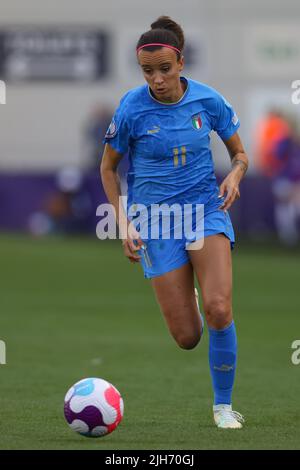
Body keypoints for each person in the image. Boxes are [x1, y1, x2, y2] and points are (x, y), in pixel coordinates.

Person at [100, 16, 248, 429]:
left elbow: (240, 154)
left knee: (220, 308)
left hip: (204, 211)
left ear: (181, 63)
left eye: (165, 69)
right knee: (187, 337)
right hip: (156, 221)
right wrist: (123, 222)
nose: (157, 79)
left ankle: (222, 407)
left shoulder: (209, 101)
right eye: (148, 72)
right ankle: (191, 304)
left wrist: (234, 174)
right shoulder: (131, 108)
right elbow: (107, 169)